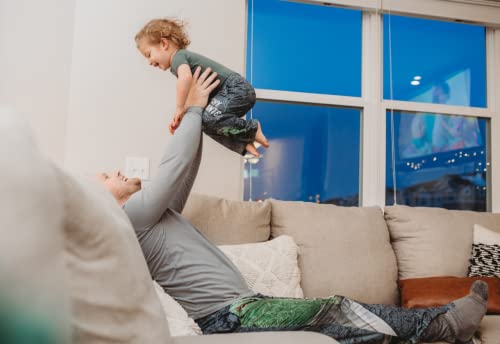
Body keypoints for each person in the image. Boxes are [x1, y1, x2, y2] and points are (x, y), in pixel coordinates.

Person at [95, 67, 488, 344]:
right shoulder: (132, 218)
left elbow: (185, 168)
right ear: (105, 199)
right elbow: (173, 165)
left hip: (246, 310)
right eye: (106, 177)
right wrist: (196, 108)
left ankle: (443, 332)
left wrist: (188, 115)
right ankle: (447, 323)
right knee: (336, 307)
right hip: (233, 317)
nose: (115, 171)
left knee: (348, 330)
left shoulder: (156, 215)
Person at [134, 18, 269, 157]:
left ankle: (252, 128)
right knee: (203, 122)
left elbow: (185, 79)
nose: (149, 62)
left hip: (236, 88)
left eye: (149, 54)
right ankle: (243, 145)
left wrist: (180, 108)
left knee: (208, 118)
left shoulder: (178, 58)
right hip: (230, 92)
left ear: (164, 43)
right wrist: (185, 114)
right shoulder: (180, 62)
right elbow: (192, 93)